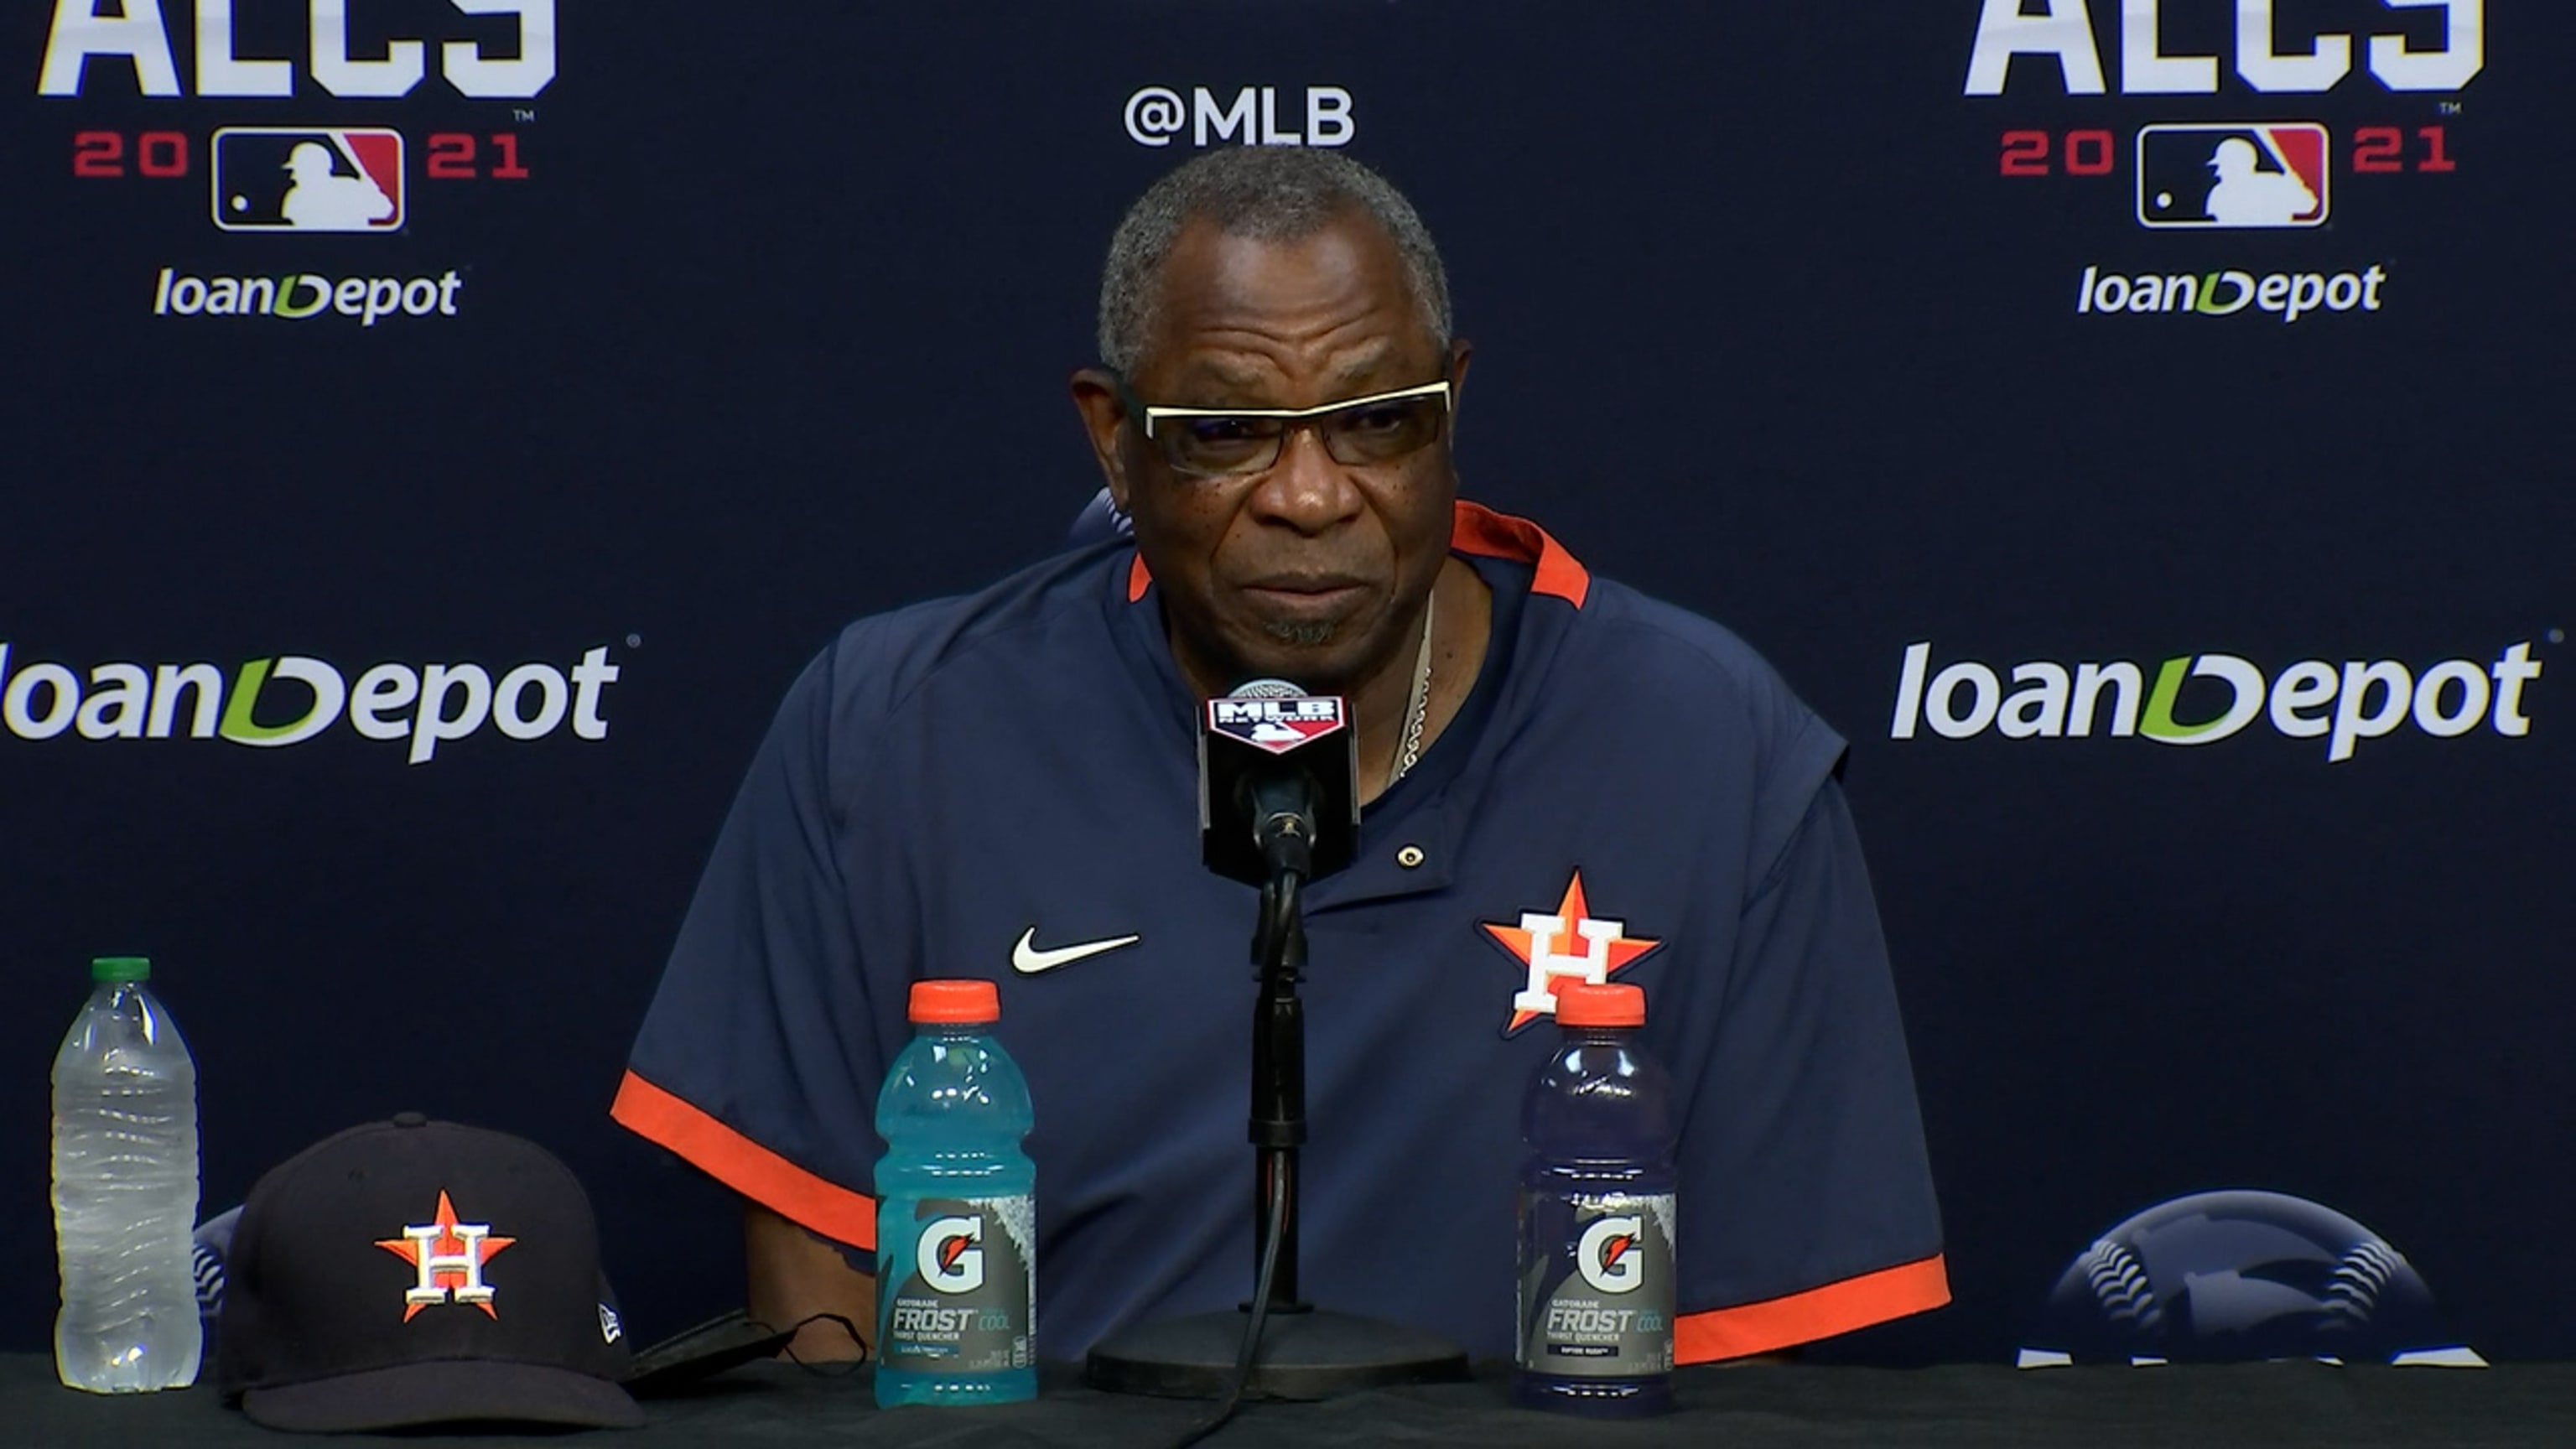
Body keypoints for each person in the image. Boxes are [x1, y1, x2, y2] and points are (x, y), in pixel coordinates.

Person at [613, 147, 1948, 1366]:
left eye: (1377, 421)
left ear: (1451, 407)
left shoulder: (1713, 748)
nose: (1309, 497)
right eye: (1227, 433)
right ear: (1112, 440)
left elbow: (1764, 1348)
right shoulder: (892, 726)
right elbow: (817, 1257)